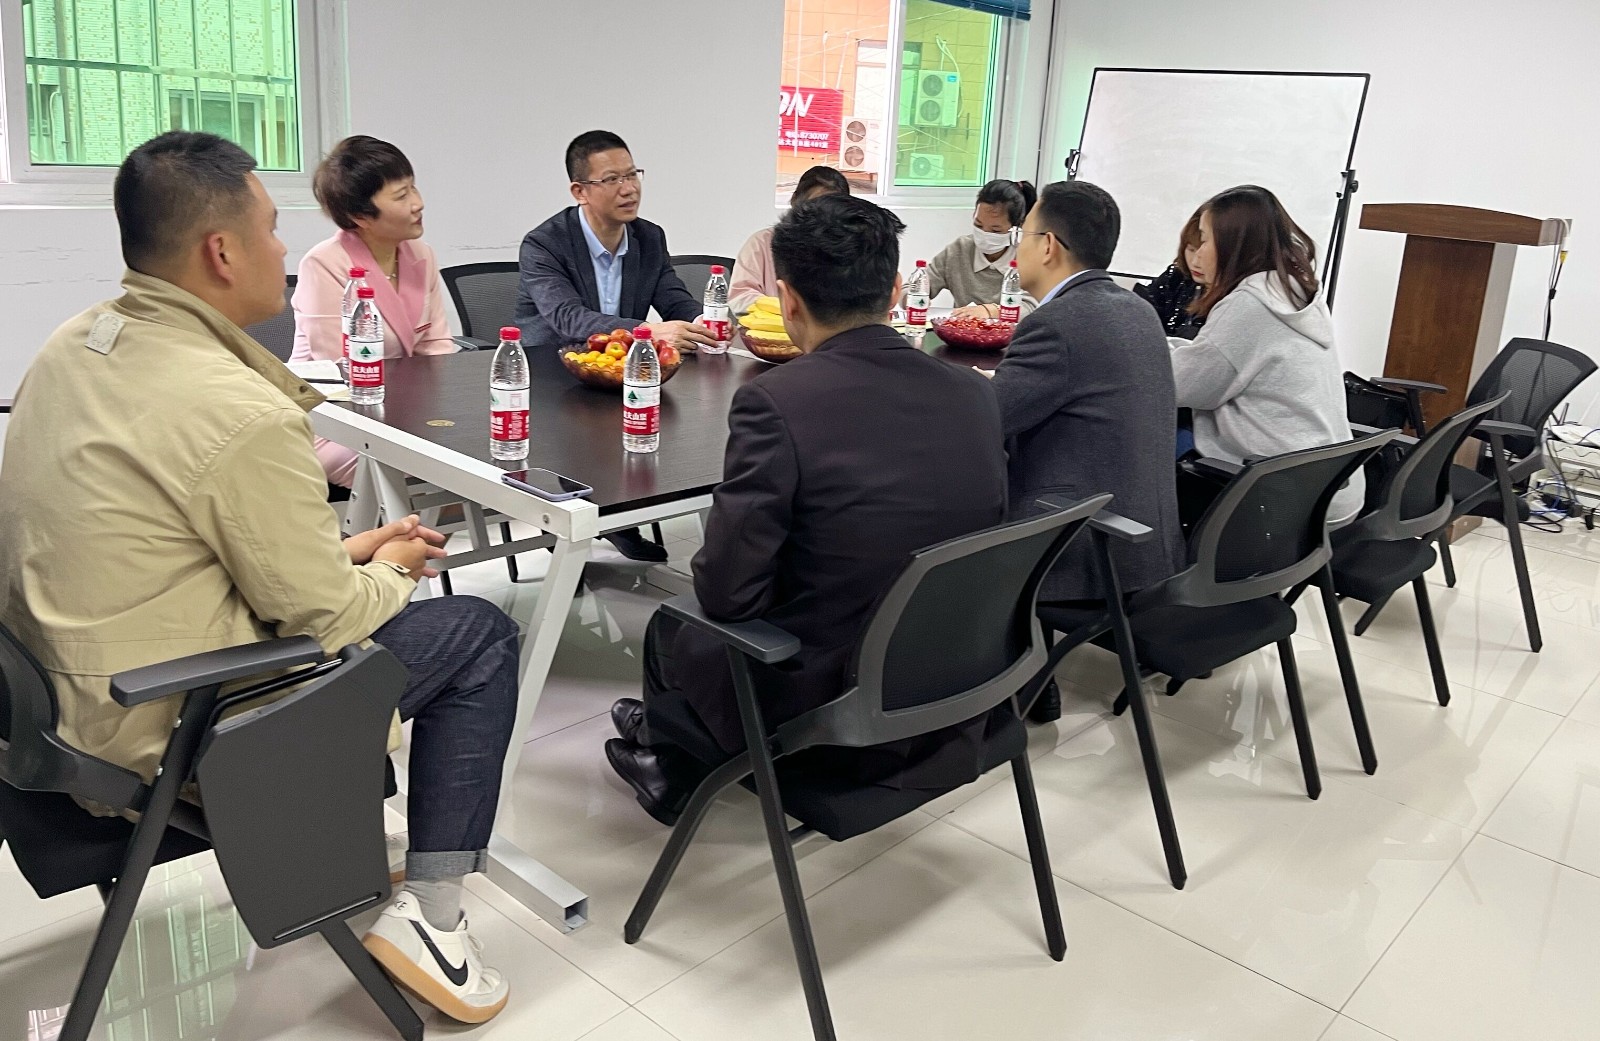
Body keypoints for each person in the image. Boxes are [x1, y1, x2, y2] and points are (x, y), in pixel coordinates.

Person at [0, 132, 517, 1025]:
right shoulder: (236, 409)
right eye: (272, 228)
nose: (283, 249)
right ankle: (434, 919)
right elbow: (330, 617)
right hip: (163, 725)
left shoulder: (76, 343)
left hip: (49, 709)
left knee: (381, 588)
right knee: (479, 634)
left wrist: (343, 550)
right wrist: (389, 569)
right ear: (221, 251)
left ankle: (377, 865)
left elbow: (171, 541)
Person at [603, 194, 1010, 825]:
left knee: (676, 624)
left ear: (787, 300)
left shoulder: (777, 401)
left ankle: (671, 763)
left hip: (840, 713)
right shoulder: (975, 393)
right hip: (962, 684)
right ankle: (665, 743)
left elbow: (728, 595)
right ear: (895, 291)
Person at [986, 181, 1184, 723]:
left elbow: (987, 421)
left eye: (1024, 234)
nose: (1017, 246)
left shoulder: (1057, 324)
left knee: (949, 498)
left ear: (1048, 245)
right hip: (1149, 543)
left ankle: (1015, 673)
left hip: (1090, 549)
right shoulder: (1135, 308)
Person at [514, 129, 714, 561]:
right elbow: (567, 319)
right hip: (554, 374)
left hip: (620, 371)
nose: (629, 188)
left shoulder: (648, 237)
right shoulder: (545, 243)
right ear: (580, 191)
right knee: (588, 429)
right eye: (612, 179)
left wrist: (703, 322)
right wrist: (649, 331)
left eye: (632, 174)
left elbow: (672, 295)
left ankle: (619, 518)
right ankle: (569, 539)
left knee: (676, 423)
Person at [1169, 185, 1363, 521]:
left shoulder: (1249, 305)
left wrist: (1144, 349)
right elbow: (1218, 360)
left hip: (1284, 500)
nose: (1198, 253)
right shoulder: (1291, 290)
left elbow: (1185, 386)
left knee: (1152, 442)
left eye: (1205, 239)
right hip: (1331, 487)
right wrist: (1172, 346)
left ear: (1233, 244)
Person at [291, 135, 459, 488]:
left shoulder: (422, 255)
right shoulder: (324, 264)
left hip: (407, 415)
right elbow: (340, 368)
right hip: (332, 419)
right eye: (401, 196)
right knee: (419, 473)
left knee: (472, 459)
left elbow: (437, 348)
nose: (418, 203)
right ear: (359, 216)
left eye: (413, 188)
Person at [728, 165, 850, 313]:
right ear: (795, 201)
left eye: (831, 207)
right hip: (772, 325)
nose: (822, 215)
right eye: (814, 206)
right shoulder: (761, 243)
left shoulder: (850, 248)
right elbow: (740, 297)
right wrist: (789, 311)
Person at [922, 179, 1040, 319]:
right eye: (978, 225)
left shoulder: (1026, 257)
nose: (984, 234)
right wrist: (916, 298)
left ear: (1017, 227)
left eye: (995, 230)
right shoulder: (959, 250)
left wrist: (991, 311)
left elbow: (1032, 306)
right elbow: (915, 286)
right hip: (963, 331)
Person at [1134, 207, 1207, 339]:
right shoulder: (1176, 277)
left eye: (1205, 254)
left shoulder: (1233, 300)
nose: (1195, 262)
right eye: (1191, 250)